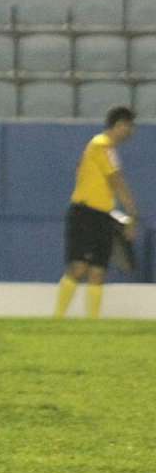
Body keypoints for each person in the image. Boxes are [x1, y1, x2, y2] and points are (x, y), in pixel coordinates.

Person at [54, 106, 139, 318]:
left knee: (98, 271)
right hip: (85, 213)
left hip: (102, 215)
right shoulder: (101, 146)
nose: (131, 132)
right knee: (79, 267)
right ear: (119, 125)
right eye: (129, 126)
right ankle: (57, 318)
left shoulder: (104, 149)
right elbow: (116, 180)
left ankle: (93, 324)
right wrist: (132, 214)